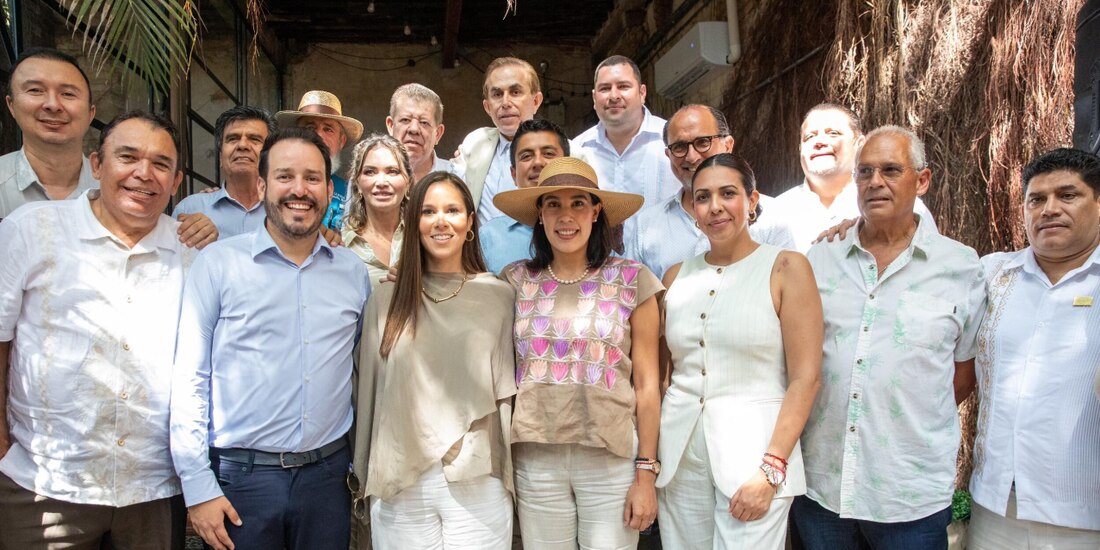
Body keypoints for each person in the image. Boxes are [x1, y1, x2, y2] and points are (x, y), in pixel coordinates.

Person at [170, 128, 370, 550]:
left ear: (328, 190)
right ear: (262, 186)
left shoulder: (352, 272)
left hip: (327, 479)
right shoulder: (218, 264)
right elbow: (190, 376)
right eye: (285, 176)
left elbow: (359, 368)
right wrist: (197, 484)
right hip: (243, 480)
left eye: (312, 178)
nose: (299, 190)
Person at [0, 111, 190, 548]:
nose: (144, 173)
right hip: (45, 483)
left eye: (161, 164)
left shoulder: (191, 252)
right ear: (97, 165)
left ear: (176, 181)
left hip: (153, 487)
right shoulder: (33, 230)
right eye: (128, 157)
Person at [791, 126, 986, 549]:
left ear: (923, 180)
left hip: (909, 492)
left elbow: (962, 375)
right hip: (823, 486)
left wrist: (901, 407)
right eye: (864, 172)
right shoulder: (821, 258)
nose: (875, 181)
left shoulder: (961, 267)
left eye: (891, 170)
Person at [656, 153, 822, 549]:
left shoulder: (786, 267)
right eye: (703, 197)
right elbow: (665, 374)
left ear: (752, 200)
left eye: (728, 193)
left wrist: (772, 468)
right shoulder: (675, 276)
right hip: (680, 458)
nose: (715, 206)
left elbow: (806, 378)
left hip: (755, 459)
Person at [493, 156, 661, 549]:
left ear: (596, 211)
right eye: (553, 204)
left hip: (610, 457)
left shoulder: (632, 279)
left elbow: (648, 385)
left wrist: (646, 472)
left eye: (578, 203)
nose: (565, 216)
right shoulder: (514, 280)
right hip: (536, 458)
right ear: (539, 214)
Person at [352, 172, 517, 549]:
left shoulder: (500, 298)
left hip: (477, 478)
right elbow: (368, 394)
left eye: (452, 210)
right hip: (400, 481)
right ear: (413, 223)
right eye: (428, 212)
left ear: (470, 221)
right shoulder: (386, 299)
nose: (441, 221)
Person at [967, 148, 1100, 548]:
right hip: (994, 510)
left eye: (1068, 195)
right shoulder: (991, 273)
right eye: (1036, 199)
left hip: (1083, 517)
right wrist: (859, 228)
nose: (1049, 209)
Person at [626, 104, 796, 279]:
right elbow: (632, 293)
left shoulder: (773, 217)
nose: (692, 157)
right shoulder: (646, 227)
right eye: (679, 147)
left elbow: (791, 285)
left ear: (728, 145)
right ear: (668, 155)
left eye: (703, 142)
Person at [773, 103, 936, 252]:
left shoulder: (906, 207)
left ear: (860, 144)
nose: (819, 142)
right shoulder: (776, 212)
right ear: (800, 148)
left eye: (833, 133)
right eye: (810, 137)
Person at [572, 56, 679, 208]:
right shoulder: (577, 150)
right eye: (605, 88)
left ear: (642, 93)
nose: (614, 96)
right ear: (594, 98)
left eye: (623, 86)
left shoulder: (672, 140)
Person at [453, 57, 543, 224]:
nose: (505, 103)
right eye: (497, 94)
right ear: (487, 107)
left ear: (536, 101)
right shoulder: (474, 144)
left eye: (515, 92)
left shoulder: (567, 152)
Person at [480, 118, 569, 273]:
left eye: (548, 154)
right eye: (526, 156)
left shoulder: (591, 231)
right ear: (513, 174)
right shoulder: (489, 236)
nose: (538, 162)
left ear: (568, 166)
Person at [172, 105, 275, 237]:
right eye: (233, 139)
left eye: (255, 139)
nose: (242, 145)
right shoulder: (191, 209)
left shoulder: (285, 211)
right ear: (220, 157)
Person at [277, 90, 364, 231]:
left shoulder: (352, 194)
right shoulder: (276, 185)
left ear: (341, 141)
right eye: (310, 127)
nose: (318, 135)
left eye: (328, 129)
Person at [342, 133, 412, 287]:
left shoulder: (424, 240)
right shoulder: (341, 246)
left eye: (392, 171)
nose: (381, 182)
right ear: (357, 184)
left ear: (408, 182)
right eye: (370, 172)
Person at [386, 83, 452, 183]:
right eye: (405, 120)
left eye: (424, 122)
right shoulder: (368, 180)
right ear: (391, 126)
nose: (414, 129)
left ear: (438, 133)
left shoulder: (461, 178)